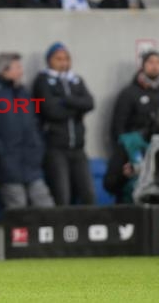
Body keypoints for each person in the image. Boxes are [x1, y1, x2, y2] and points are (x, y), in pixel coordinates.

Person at [0, 53, 54, 209]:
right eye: (17, 67)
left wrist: (38, 148)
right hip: (6, 166)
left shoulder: (24, 93)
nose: (21, 71)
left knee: (46, 206)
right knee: (17, 210)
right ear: (4, 70)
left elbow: (35, 123)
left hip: (31, 163)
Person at [104, 51, 159, 203]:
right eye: (151, 62)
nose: (155, 66)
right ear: (142, 66)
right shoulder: (129, 93)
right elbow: (118, 127)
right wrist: (124, 153)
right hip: (134, 151)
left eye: (158, 63)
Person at [32, 42, 96, 205]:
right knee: (62, 195)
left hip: (78, 147)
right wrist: (77, 107)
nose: (63, 62)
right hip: (56, 148)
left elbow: (89, 103)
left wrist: (66, 100)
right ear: (49, 60)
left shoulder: (75, 80)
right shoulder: (42, 81)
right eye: (58, 59)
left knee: (88, 194)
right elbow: (51, 111)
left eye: (66, 58)